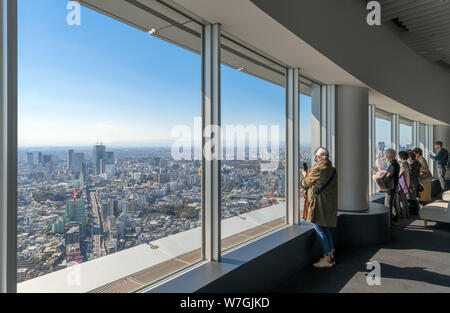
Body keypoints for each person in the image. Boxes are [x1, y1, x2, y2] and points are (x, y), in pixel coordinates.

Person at [301, 147, 337, 269]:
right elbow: (321, 181)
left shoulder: (318, 168)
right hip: (329, 202)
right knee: (325, 226)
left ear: (319, 157)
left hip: (319, 202)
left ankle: (327, 258)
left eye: (316, 157)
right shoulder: (332, 169)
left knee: (317, 226)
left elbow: (305, 183)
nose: (316, 159)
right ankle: (331, 254)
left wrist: (306, 175)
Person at [384, 148, 400, 223]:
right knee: (393, 202)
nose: (385, 156)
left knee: (389, 204)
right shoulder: (395, 163)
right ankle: (395, 218)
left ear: (389, 156)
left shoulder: (393, 164)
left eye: (386, 155)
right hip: (395, 185)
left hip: (391, 186)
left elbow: (390, 176)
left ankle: (389, 221)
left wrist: (382, 176)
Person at [407, 150, 421, 215]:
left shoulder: (411, 164)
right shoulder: (417, 162)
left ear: (410, 157)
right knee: (414, 197)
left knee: (411, 197)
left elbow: (410, 174)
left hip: (412, 182)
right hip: (415, 181)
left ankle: (412, 212)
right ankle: (416, 211)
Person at [398, 151, 410, 219]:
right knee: (404, 200)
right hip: (406, 184)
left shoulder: (403, 164)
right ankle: (407, 214)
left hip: (403, 186)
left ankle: (404, 215)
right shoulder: (407, 163)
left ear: (401, 157)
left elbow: (399, 174)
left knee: (402, 201)